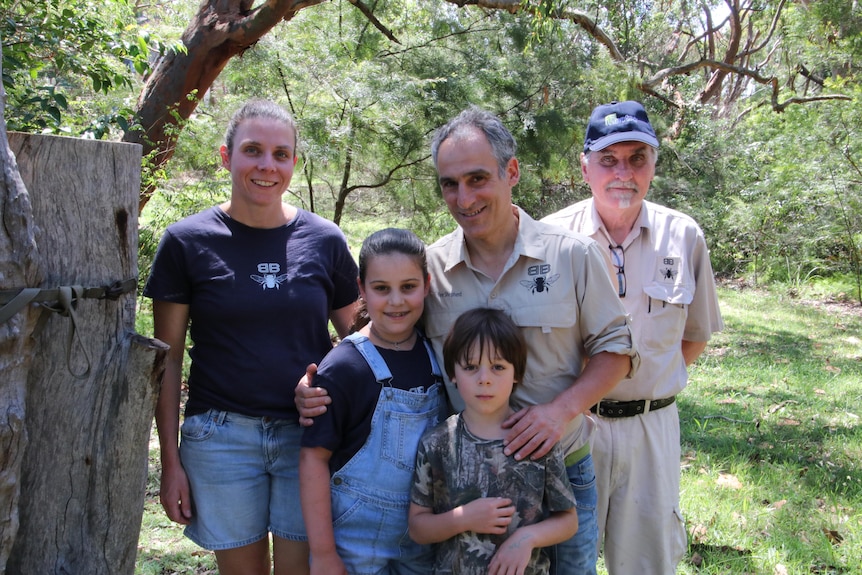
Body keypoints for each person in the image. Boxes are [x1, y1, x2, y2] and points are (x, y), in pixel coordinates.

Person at [297, 106, 637, 574]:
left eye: (477, 178)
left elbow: (617, 351)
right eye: (449, 184)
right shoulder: (431, 268)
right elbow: (388, 328)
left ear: (511, 171)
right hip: (461, 480)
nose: (464, 197)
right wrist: (323, 381)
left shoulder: (572, 255)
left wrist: (558, 413)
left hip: (559, 472)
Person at [144, 99, 359, 575]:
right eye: (253, 150)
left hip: (308, 437)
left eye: (281, 154)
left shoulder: (325, 240)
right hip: (220, 437)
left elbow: (360, 344)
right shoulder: (186, 241)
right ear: (226, 156)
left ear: (294, 164)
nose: (267, 165)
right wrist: (170, 462)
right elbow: (168, 359)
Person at [542, 100, 724, 573]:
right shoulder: (550, 239)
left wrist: (654, 386)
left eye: (637, 158)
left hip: (651, 428)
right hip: (573, 425)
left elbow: (695, 335)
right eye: (609, 160)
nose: (623, 172)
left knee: (648, 563)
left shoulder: (683, 237)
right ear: (585, 167)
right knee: (563, 560)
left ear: (653, 165)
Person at [299, 228, 444, 575]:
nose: (396, 301)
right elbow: (312, 460)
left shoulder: (436, 354)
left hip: (425, 537)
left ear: (426, 284)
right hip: (357, 543)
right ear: (362, 288)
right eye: (382, 289)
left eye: (408, 287)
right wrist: (322, 553)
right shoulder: (345, 366)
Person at [408, 307, 579, 575]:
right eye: (471, 367)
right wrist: (464, 519)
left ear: (517, 373)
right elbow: (418, 528)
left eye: (498, 367)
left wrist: (527, 538)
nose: (484, 379)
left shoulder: (534, 439)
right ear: (452, 372)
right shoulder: (437, 443)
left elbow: (568, 521)